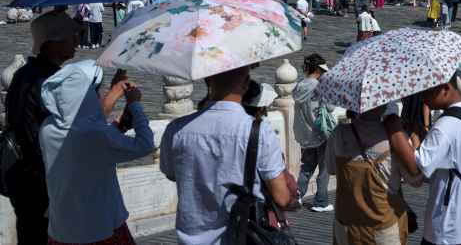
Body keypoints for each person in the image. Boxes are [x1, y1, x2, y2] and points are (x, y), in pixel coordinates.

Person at [160, 65, 294, 244]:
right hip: (241, 236)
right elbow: (282, 197)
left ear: (208, 80)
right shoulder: (258, 131)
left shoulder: (176, 129)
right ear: (246, 83)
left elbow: (171, 173)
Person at [40, 61, 154, 245]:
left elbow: (85, 147)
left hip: (61, 229)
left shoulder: (48, 128)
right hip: (100, 229)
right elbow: (145, 144)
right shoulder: (97, 135)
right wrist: (134, 105)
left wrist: (116, 122)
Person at [385, 74, 461, 245]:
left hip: (453, 226)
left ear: (446, 88)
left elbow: (416, 169)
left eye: (427, 90)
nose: (423, 97)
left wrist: (393, 124)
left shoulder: (446, 125)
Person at [4, 10, 79, 244]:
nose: (77, 41)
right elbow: (37, 134)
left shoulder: (28, 73)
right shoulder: (46, 80)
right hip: (38, 176)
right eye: (71, 36)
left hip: (26, 174)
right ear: (52, 43)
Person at [326, 104, 415, 245]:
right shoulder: (395, 138)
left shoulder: (339, 133)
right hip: (382, 226)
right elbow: (414, 179)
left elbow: (331, 169)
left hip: (347, 225)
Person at [293, 53, 335, 212]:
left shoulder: (299, 86)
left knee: (306, 168)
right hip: (321, 133)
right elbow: (330, 108)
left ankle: (297, 196)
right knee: (324, 170)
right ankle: (321, 202)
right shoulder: (319, 86)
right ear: (318, 69)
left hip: (305, 135)